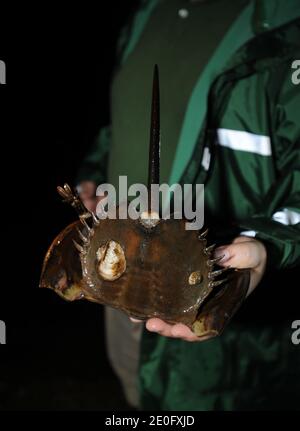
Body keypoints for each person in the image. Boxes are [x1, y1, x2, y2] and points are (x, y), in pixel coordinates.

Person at [77, 0, 300, 410]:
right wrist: (94, 172)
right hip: (114, 275)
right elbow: (124, 121)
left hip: (213, 296)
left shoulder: (286, 22)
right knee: (136, 394)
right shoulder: (144, 13)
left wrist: (269, 244)